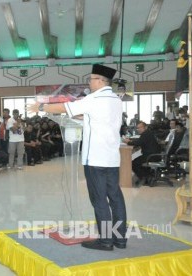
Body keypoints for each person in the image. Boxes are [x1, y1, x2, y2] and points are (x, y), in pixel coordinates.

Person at [28, 64, 127, 251]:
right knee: (115, 197)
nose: (89, 82)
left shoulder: (94, 98)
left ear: (100, 80)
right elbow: (99, 119)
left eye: (91, 78)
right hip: (112, 157)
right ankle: (120, 239)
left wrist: (40, 106)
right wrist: (84, 119)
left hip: (95, 158)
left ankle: (106, 241)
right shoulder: (115, 99)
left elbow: (65, 107)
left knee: (99, 200)